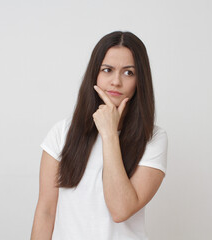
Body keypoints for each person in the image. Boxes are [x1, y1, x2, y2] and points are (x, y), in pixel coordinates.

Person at [31, 31, 168, 240]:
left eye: (128, 73)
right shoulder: (62, 132)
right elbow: (46, 211)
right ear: (95, 74)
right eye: (107, 70)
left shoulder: (154, 139)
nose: (116, 81)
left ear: (141, 80)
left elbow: (120, 210)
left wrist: (109, 134)